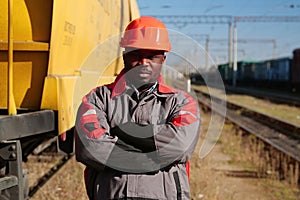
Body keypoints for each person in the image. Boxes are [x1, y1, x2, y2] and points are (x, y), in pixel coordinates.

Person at [75, 16, 201, 200]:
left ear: (163, 59)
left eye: (152, 56)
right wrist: (150, 155)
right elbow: (90, 147)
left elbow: (181, 145)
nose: (143, 63)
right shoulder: (97, 99)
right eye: (136, 54)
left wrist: (121, 134)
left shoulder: (182, 102)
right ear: (125, 55)